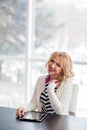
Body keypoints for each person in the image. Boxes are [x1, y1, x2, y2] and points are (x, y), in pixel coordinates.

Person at [16, 51, 76, 118]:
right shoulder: (41, 80)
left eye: (58, 65)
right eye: (52, 61)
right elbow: (34, 103)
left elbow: (61, 112)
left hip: (59, 123)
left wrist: (50, 89)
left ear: (63, 69)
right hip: (42, 121)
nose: (52, 65)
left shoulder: (67, 84)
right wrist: (24, 107)